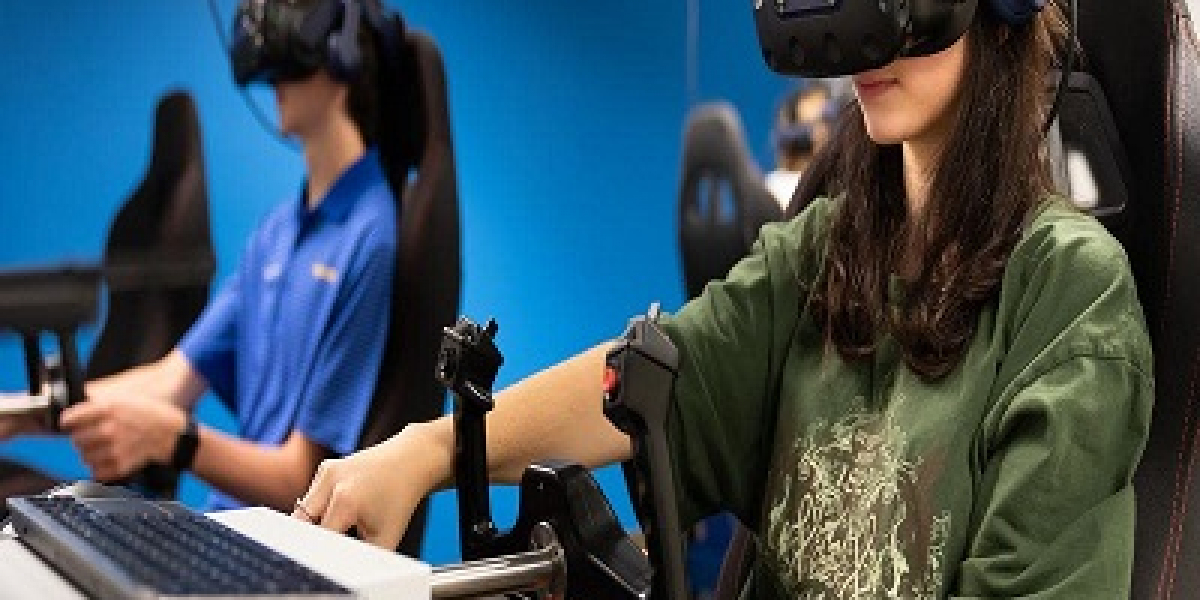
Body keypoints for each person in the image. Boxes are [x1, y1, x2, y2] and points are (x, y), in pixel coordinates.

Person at [296, 2, 1153, 597]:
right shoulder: (827, 249)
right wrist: (424, 454)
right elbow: (652, 384)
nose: (860, 37)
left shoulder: (1071, 296)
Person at [0, 0, 404, 514]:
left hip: (286, 540)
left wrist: (177, 440)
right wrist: (21, 413)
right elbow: (169, 382)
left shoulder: (371, 234)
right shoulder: (278, 231)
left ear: (343, 57)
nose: (274, 81)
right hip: (225, 525)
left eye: (290, 65)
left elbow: (305, 481)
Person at [764, 79, 838, 211]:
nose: (820, 132)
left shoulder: (844, 179)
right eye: (810, 125)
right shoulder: (777, 186)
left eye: (825, 121)